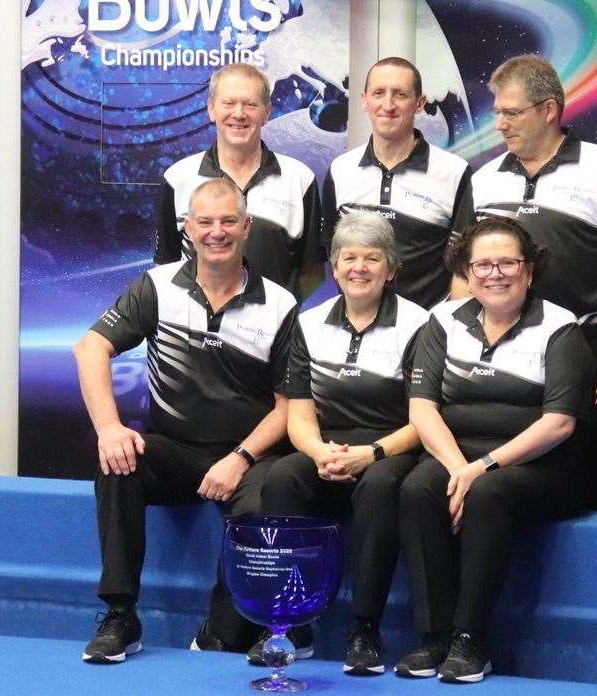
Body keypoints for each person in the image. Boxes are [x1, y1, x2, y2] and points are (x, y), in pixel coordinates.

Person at [74, 178, 297, 663]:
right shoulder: (157, 287)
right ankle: (120, 615)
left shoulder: (280, 304)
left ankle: (238, 625)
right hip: (173, 449)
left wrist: (240, 459)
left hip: (247, 458)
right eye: (205, 222)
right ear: (188, 229)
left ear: (247, 227)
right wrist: (110, 428)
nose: (217, 232)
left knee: (270, 496)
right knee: (119, 462)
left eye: (228, 221)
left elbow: (288, 407)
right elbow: (91, 347)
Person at [396, 217, 595, 683]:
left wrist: (482, 468)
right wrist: (458, 467)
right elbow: (422, 409)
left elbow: (559, 423)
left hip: (540, 465)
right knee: (416, 488)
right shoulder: (442, 320)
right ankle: (434, 637)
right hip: (459, 457)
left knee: (488, 494)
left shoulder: (560, 327)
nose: (495, 274)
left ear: (528, 271)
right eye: (482, 264)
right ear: (466, 271)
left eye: (508, 262)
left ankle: (470, 640)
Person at [471, 54, 597, 511]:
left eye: (511, 112)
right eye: (496, 112)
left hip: (585, 351)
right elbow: (464, 275)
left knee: (588, 493)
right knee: (501, 487)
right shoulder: (482, 179)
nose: (500, 124)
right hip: (504, 356)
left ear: (549, 110)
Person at [255, 211, 429, 675]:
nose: (359, 267)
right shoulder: (308, 323)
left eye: (372, 258)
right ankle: (291, 622)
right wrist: (319, 453)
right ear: (334, 268)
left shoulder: (419, 324)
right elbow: (299, 413)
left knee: (378, 486)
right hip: (326, 448)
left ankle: (364, 628)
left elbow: (424, 419)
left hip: (391, 449)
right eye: (348, 257)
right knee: (282, 477)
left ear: (391, 269)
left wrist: (369, 455)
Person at [154, 63, 321, 299]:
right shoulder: (177, 177)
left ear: (267, 111)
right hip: (196, 334)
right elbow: (165, 267)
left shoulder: (300, 179)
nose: (239, 113)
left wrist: (282, 318)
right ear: (211, 109)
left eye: (251, 104)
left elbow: (313, 272)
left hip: (272, 334)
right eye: (229, 103)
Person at [322, 57, 474, 309]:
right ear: (364, 100)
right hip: (357, 326)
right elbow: (333, 252)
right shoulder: (340, 170)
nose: (388, 105)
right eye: (379, 93)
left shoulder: (454, 172)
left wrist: (444, 332)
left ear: (419, 103)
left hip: (425, 332)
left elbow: (463, 266)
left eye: (400, 94)